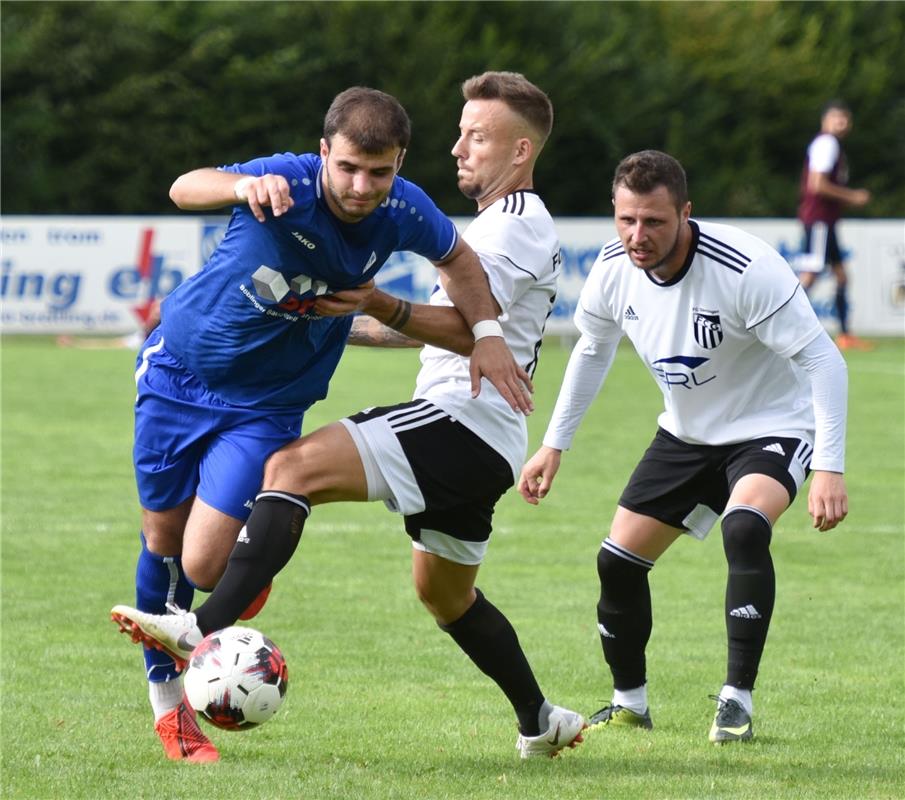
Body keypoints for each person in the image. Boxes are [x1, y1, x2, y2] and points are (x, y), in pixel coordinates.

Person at [111, 71, 586, 760]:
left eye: (474, 136)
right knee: (447, 598)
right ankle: (540, 720)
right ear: (322, 153)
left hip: (431, 416)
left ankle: (202, 625)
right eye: (350, 169)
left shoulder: (491, 225)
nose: (364, 186)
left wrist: (448, 325)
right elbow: (186, 187)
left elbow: (464, 301)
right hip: (182, 375)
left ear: (518, 151)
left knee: (282, 480)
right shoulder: (290, 181)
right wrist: (246, 192)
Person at [518, 150, 849, 744]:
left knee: (744, 528)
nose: (637, 236)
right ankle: (630, 704)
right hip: (685, 434)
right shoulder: (614, 268)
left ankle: (736, 702)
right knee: (615, 564)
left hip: (772, 426)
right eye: (626, 221)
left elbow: (822, 358)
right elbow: (592, 353)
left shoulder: (745, 267)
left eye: (654, 222)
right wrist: (553, 445)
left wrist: (829, 465)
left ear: (686, 213)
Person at [797, 99, 872, 351]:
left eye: (845, 118)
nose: (842, 123)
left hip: (826, 221)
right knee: (810, 274)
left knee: (841, 276)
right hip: (818, 220)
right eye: (837, 117)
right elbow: (817, 185)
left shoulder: (833, 146)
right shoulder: (826, 144)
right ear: (825, 120)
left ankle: (845, 335)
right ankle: (783, 325)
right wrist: (852, 196)